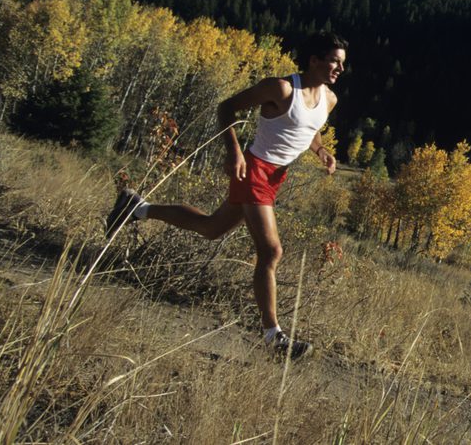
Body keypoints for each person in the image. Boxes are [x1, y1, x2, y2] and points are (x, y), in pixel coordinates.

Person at [106, 32, 348, 359]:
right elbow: (226, 108)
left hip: (275, 176)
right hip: (254, 169)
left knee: (212, 227)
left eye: (342, 63)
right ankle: (273, 336)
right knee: (271, 251)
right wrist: (234, 151)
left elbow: (311, 127)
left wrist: (321, 151)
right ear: (315, 60)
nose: (339, 68)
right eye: (334, 61)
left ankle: (137, 208)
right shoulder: (281, 88)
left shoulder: (329, 99)